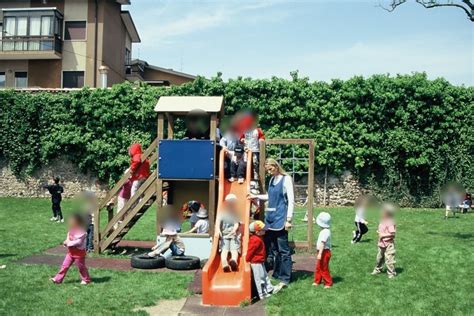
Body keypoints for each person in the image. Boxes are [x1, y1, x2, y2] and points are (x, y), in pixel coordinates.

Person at [248, 158, 294, 293]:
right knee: (274, 248)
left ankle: (286, 277)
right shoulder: (272, 180)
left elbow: (291, 200)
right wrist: (254, 196)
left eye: (270, 168)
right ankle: (277, 273)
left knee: (283, 250)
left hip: (281, 217)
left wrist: (289, 219)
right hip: (271, 219)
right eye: (267, 170)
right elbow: (270, 196)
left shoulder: (286, 179)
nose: (269, 171)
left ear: (276, 166)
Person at [50, 213, 90, 285]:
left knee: (81, 267)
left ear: (77, 222)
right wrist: (66, 241)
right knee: (64, 266)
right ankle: (58, 279)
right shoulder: (71, 230)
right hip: (71, 253)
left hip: (79, 254)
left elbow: (78, 242)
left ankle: (86, 279)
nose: (70, 222)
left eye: (71, 220)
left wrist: (69, 243)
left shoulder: (82, 232)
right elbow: (68, 237)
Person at [246, 220, 274, 299]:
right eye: (263, 229)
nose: (265, 230)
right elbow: (250, 251)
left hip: (260, 260)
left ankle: (269, 288)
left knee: (264, 275)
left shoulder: (258, 237)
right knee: (260, 278)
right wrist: (247, 259)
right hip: (256, 262)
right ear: (257, 232)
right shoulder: (255, 240)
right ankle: (262, 294)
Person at [216, 194, 241, 272]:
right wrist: (218, 230)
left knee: (226, 250)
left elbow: (236, 224)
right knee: (231, 250)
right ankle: (229, 261)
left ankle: (229, 261)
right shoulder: (224, 213)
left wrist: (234, 230)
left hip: (231, 234)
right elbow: (218, 222)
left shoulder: (234, 213)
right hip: (228, 235)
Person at [371, 204, 397, 279]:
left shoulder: (390, 222)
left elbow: (392, 234)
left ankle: (391, 273)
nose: (381, 212)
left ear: (388, 213)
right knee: (379, 258)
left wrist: (383, 235)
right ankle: (377, 269)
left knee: (389, 259)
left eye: (383, 211)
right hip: (381, 243)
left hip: (389, 244)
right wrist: (379, 232)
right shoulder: (382, 220)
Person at [240, 112, 265, 179]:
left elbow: (262, 137)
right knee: (245, 163)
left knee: (255, 163)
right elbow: (241, 137)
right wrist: (242, 139)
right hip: (247, 150)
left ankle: (256, 177)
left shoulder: (257, 130)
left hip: (255, 150)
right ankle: (245, 177)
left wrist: (261, 139)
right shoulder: (244, 130)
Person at [313, 212, 333, 288]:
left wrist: (320, 253)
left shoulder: (325, 232)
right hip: (322, 251)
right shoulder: (324, 231)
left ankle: (328, 283)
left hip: (324, 252)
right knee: (319, 266)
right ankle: (317, 280)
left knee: (324, 267)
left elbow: (323, 243)